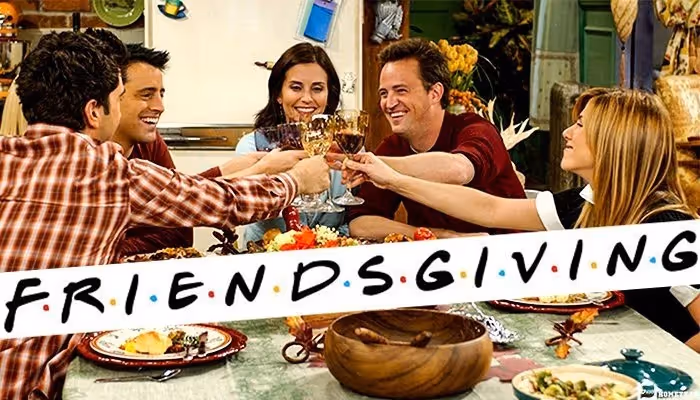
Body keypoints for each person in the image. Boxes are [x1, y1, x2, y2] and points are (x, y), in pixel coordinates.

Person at [0, 30, 329, 399]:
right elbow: (223, 203)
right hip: (26, 385)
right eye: (118, 98)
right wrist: (296, 180)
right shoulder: (108, 171)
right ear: (94, 111)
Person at [342, 87, 700, 350]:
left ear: (614, 142)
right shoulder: (585, 204)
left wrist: (665, 362)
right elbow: (489, 208)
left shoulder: (666, 226)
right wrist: (392, 179)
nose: (567, 132)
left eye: (580, 125)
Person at [111, 42, 307, 256]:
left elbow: (179, 198)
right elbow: (183, 211)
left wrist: (226, 170)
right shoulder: (99, 163)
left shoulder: (149, 141)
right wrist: (280, 176)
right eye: (146, 95)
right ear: (109, 98)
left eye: (161, 94)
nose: (160, 106)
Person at [340, 38, 525, 241]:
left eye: (401, 91)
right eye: (384, 93)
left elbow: (459, 170)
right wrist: (436, 235)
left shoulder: (477, 129)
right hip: (440, 257)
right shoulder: (393, 147)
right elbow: (360, 223)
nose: (389, 103)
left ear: (435, 93)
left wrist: (372, 164)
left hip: (515, 253)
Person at [235, 42, 350, 243]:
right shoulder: (252, 147)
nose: (307, 98)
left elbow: (353, 220)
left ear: (329, 95)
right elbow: (237, 207)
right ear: (278, 95)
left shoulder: (344, 148)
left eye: (317, 89)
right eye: (296, 88)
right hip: (265, 256)